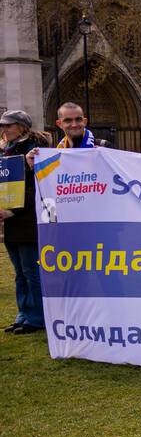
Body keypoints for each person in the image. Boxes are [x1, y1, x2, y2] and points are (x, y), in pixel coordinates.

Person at [2, 110, 51, 334]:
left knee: (31, 271)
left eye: (8, 125)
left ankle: (37, 317)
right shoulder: (7, 152)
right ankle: (23, 314)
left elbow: (38, 187)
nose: (3, 130)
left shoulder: (35, 151)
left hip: (28, 220)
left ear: (21, 127)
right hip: (11, 221)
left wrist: (13, 211)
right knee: (19, 272)